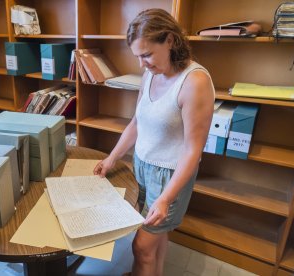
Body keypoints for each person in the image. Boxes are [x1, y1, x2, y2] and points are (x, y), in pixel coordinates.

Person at [93, 8, 215, 276]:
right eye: (138, 56)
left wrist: (166, 198)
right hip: (141, 167)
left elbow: (193, 151)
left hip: (170, 176)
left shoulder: (194, 82)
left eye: (146, 54)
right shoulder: (151, 73)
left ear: (170, 41)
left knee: (142, 247)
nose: (142, 64)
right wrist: (112, 158)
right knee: (155, 240)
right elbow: (137, 122)